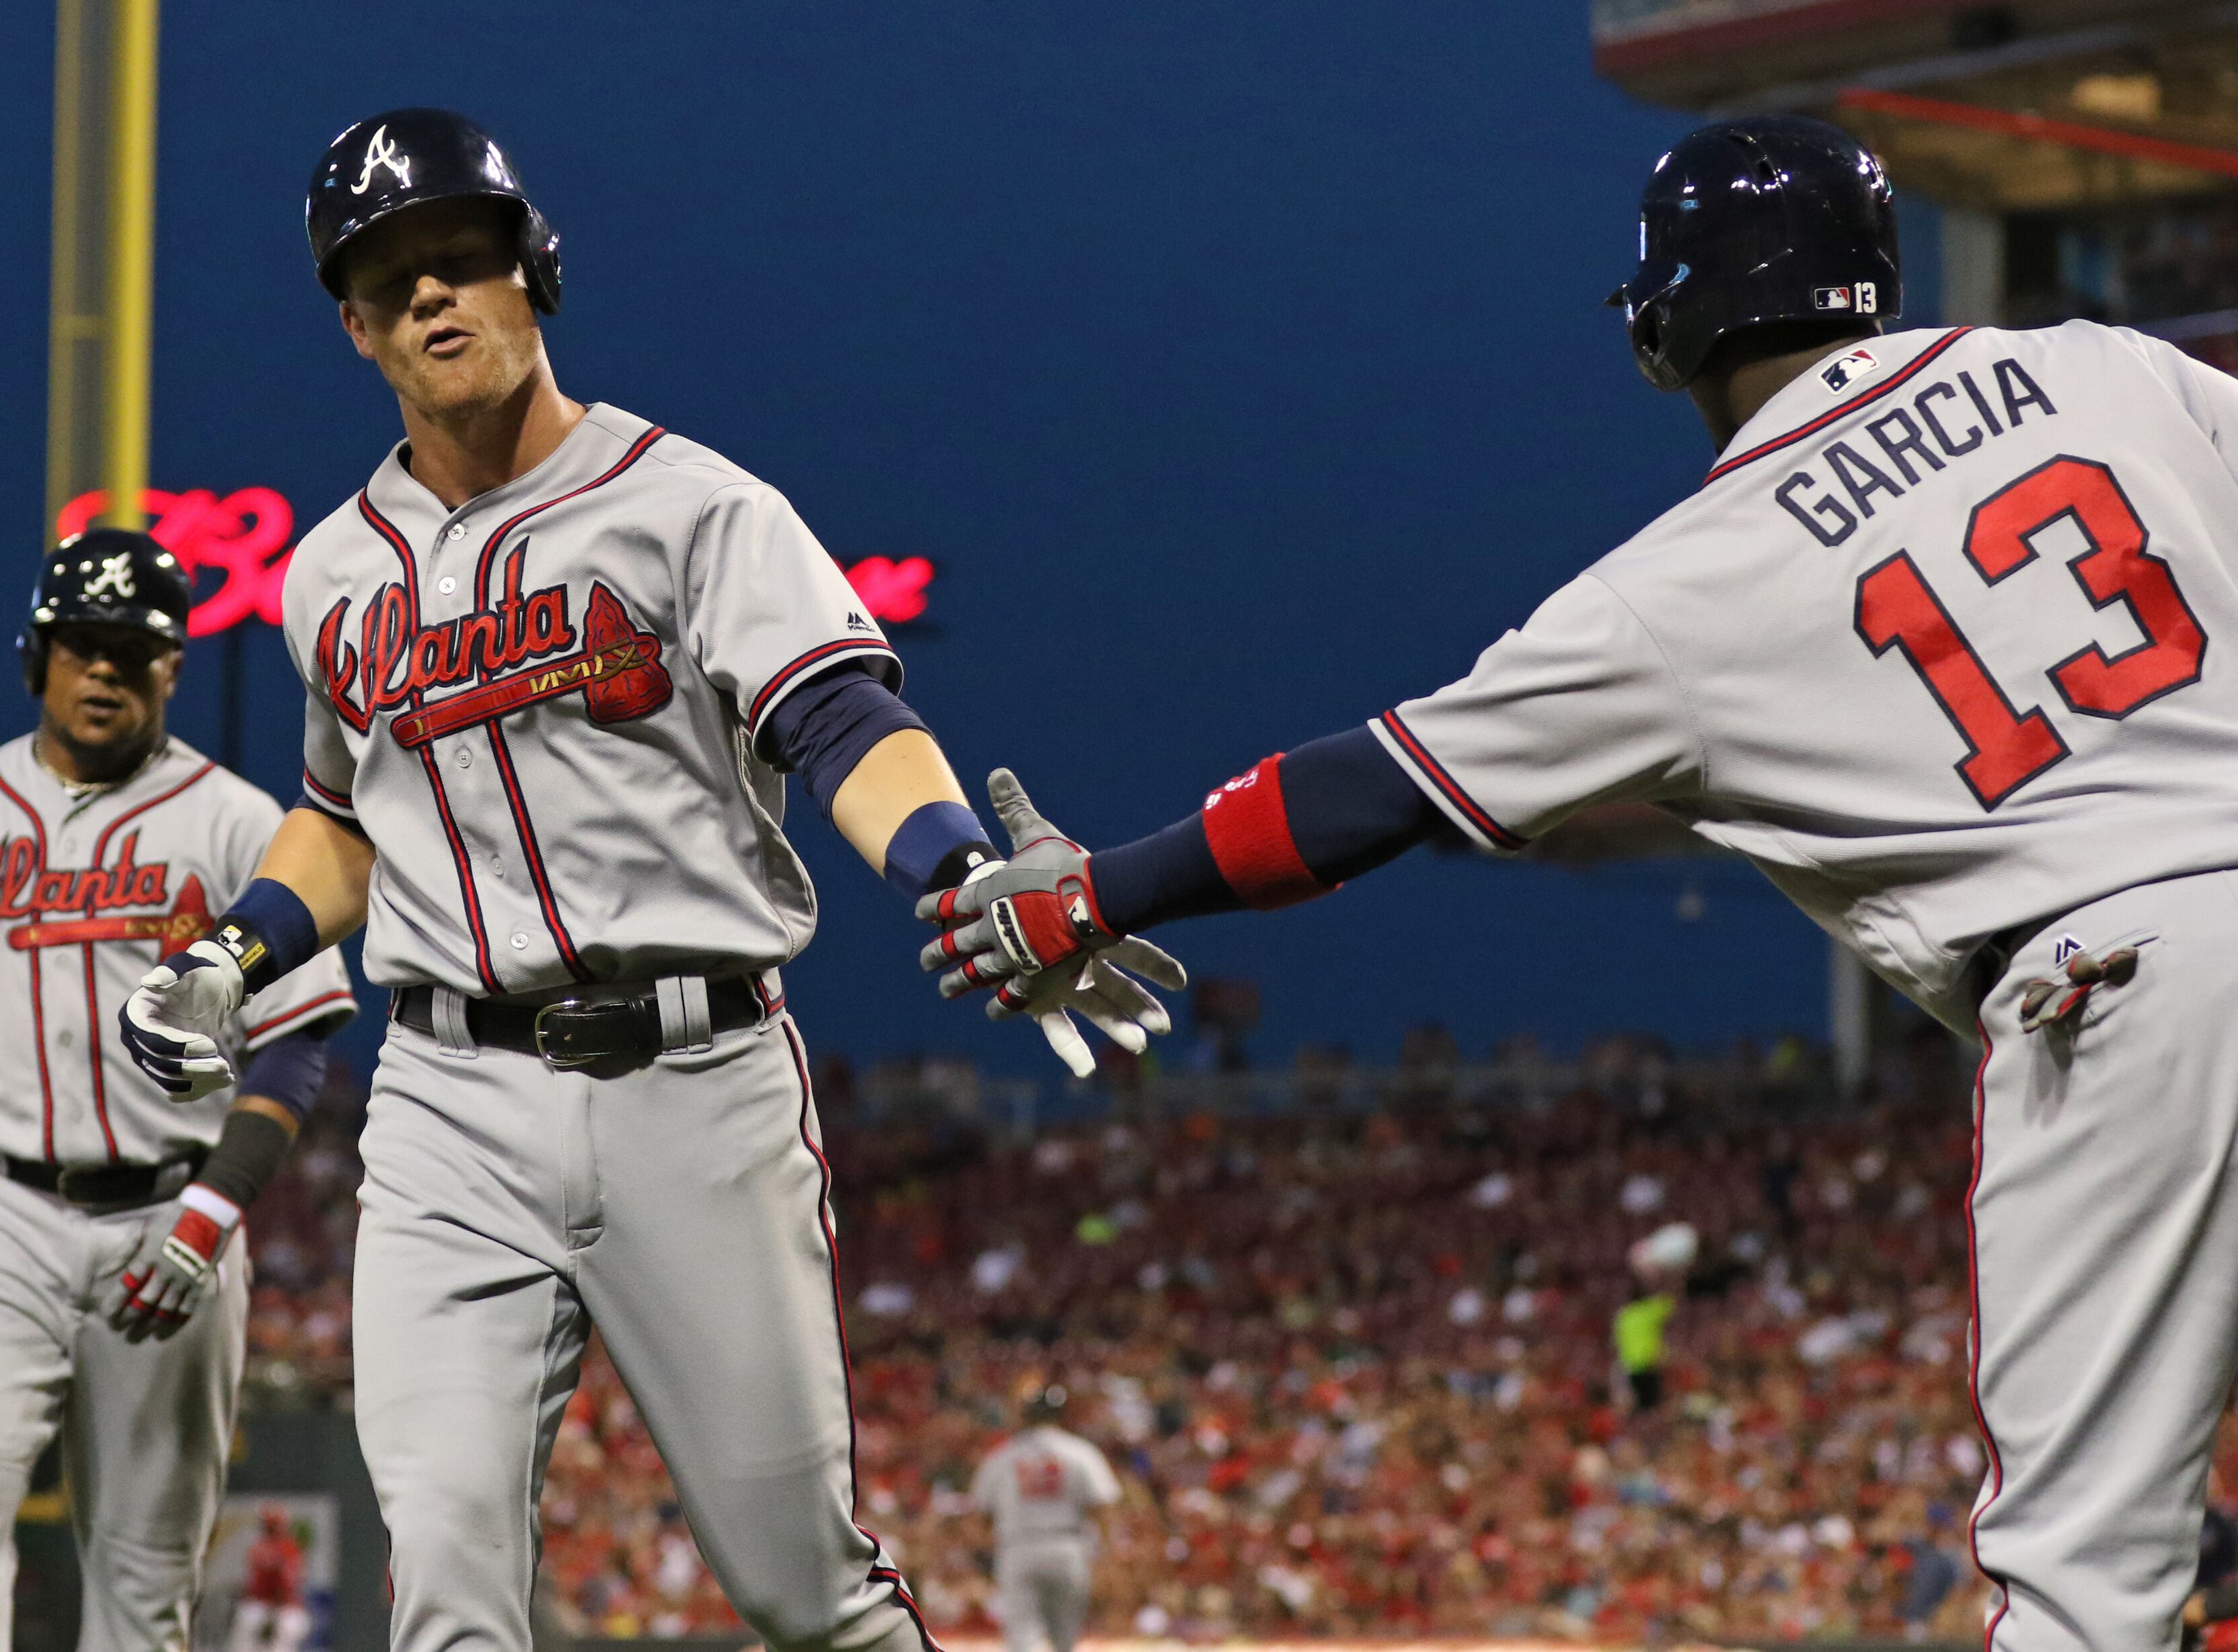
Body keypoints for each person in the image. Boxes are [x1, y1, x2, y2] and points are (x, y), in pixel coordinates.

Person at [922, 114, 2238, 1649]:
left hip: (2123, 987)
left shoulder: (1681, 585)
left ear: (1659, 331)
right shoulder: (2101, 368)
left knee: (2087, 1587)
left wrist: (1091, 896)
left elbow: (1366, 788)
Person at [113, 108, 1185, 1652]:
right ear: (352, 327)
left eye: (460, 256)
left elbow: (841, 721)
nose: (431, 295)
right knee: (447, 1573)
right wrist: (235, 943)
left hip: (693, 1075)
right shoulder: (335, 569)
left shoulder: (693, 507)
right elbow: (341, 812)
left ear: (531, 268)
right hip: (444, 1103)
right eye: (389, 276)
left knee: (798, 1587)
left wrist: (960, 867)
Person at [0, 532, 354, 1649]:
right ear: (37, 656)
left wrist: (211, 1214)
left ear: (173, 667)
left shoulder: (237, 823)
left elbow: (295, 1045)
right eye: (82, 646)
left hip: (171, 1209)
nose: (105, 670)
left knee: (145, 1565)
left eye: (133, 648)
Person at [970, 1386, 1121, 1652]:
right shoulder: (1081, 1452)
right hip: (1068, 1547)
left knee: (1023, 1638)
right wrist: (1106, 1556)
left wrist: (986, 1557)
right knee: (1066, 1639)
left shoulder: (1003, 1455)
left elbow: (981, 1515)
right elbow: (1104, 1508)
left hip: (1018, 1547)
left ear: (1025, 1416)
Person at [233, 1505, 311, 1652]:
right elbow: (252, 1589)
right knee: (246, 1625)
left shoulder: (290, 1550)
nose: (270, 1529)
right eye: (268, 1525)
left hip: (285, 1610)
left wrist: (272, 1617)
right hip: (262, 1608)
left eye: (273, 1525)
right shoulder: (258, 1549)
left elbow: (287, 1588)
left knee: (278, 1634)